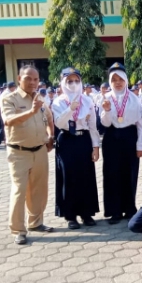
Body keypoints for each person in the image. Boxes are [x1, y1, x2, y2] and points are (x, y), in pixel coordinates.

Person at [1, 65, 55, 245]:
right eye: (28, 78)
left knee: (39, 190)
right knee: (19, 191)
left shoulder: (39, 98)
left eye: (35, 79)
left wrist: (50, 135)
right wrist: (31, 111)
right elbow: (8, 121)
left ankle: (36, 222)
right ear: (19, 78)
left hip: (40, 151)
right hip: (19, 152)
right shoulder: (10, 99)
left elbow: (48, 118)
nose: (32, 82)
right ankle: (18, 230)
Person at [51, 67, 100, 230]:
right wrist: (70, 108)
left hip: (83, 139)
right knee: (68, 177)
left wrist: (95, 146)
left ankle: (87, 213)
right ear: (63, 82)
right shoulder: (58, 101)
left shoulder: (87, 100)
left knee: (86, 177)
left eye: (76, 80)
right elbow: (59, 123)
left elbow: (93, 126)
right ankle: (70, 215)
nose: (73, 84)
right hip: (66, 140)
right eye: (69, 81)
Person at [100, 63, 142, 224]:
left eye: (121, 79)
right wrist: (106, 110)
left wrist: (140, 146)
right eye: (114, 80)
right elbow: (104, 124)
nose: (118, 82)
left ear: (126, 80)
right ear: (110, 81)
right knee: (112, 174)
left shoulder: (134, 99)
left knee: (130, 173)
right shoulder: (105, 98)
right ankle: (114, 211)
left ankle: (129, 208)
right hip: (112, 137)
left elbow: (140, 124)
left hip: (129, 136)